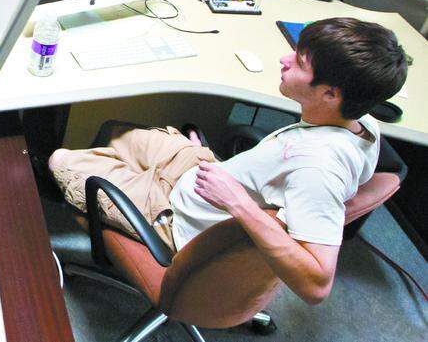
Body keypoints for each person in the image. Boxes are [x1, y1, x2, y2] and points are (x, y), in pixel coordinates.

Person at [49, 17, 408, 305]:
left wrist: (236, 201)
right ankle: (102, 196)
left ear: (330, 94)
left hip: (175, 216)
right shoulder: (363, 122)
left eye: (299, 62)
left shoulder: (316, 171)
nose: (284, 61)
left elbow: (316, 286)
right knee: (116, 132)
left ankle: (97, 220)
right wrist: (225, 174)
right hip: (205, 173)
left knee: (60, 158)